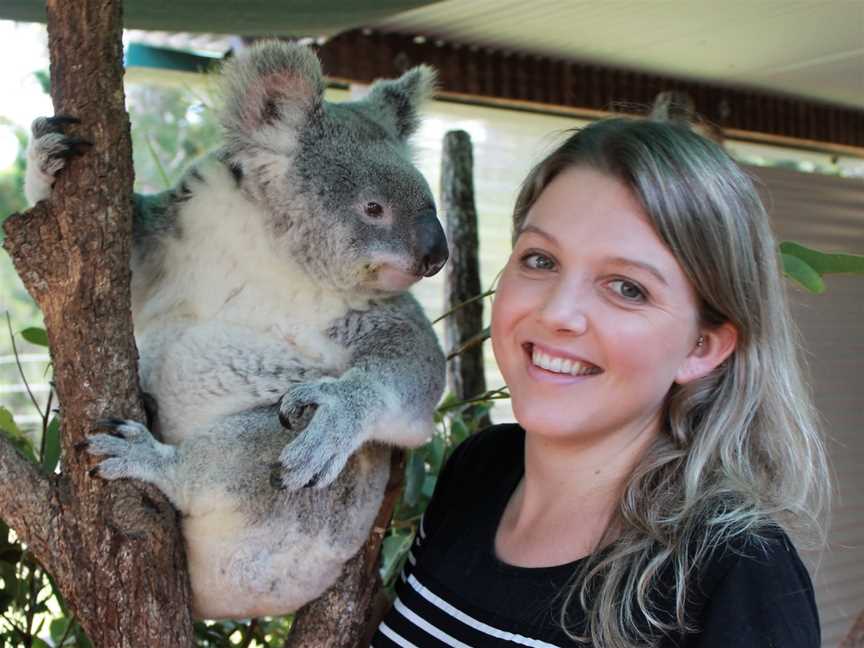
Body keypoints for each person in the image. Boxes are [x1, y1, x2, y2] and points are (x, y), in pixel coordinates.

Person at [370, 116, 829, 647]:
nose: (559, 312)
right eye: (540, 260)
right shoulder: (479, 471)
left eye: (627, 288)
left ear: (702, 347)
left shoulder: (735, 574)